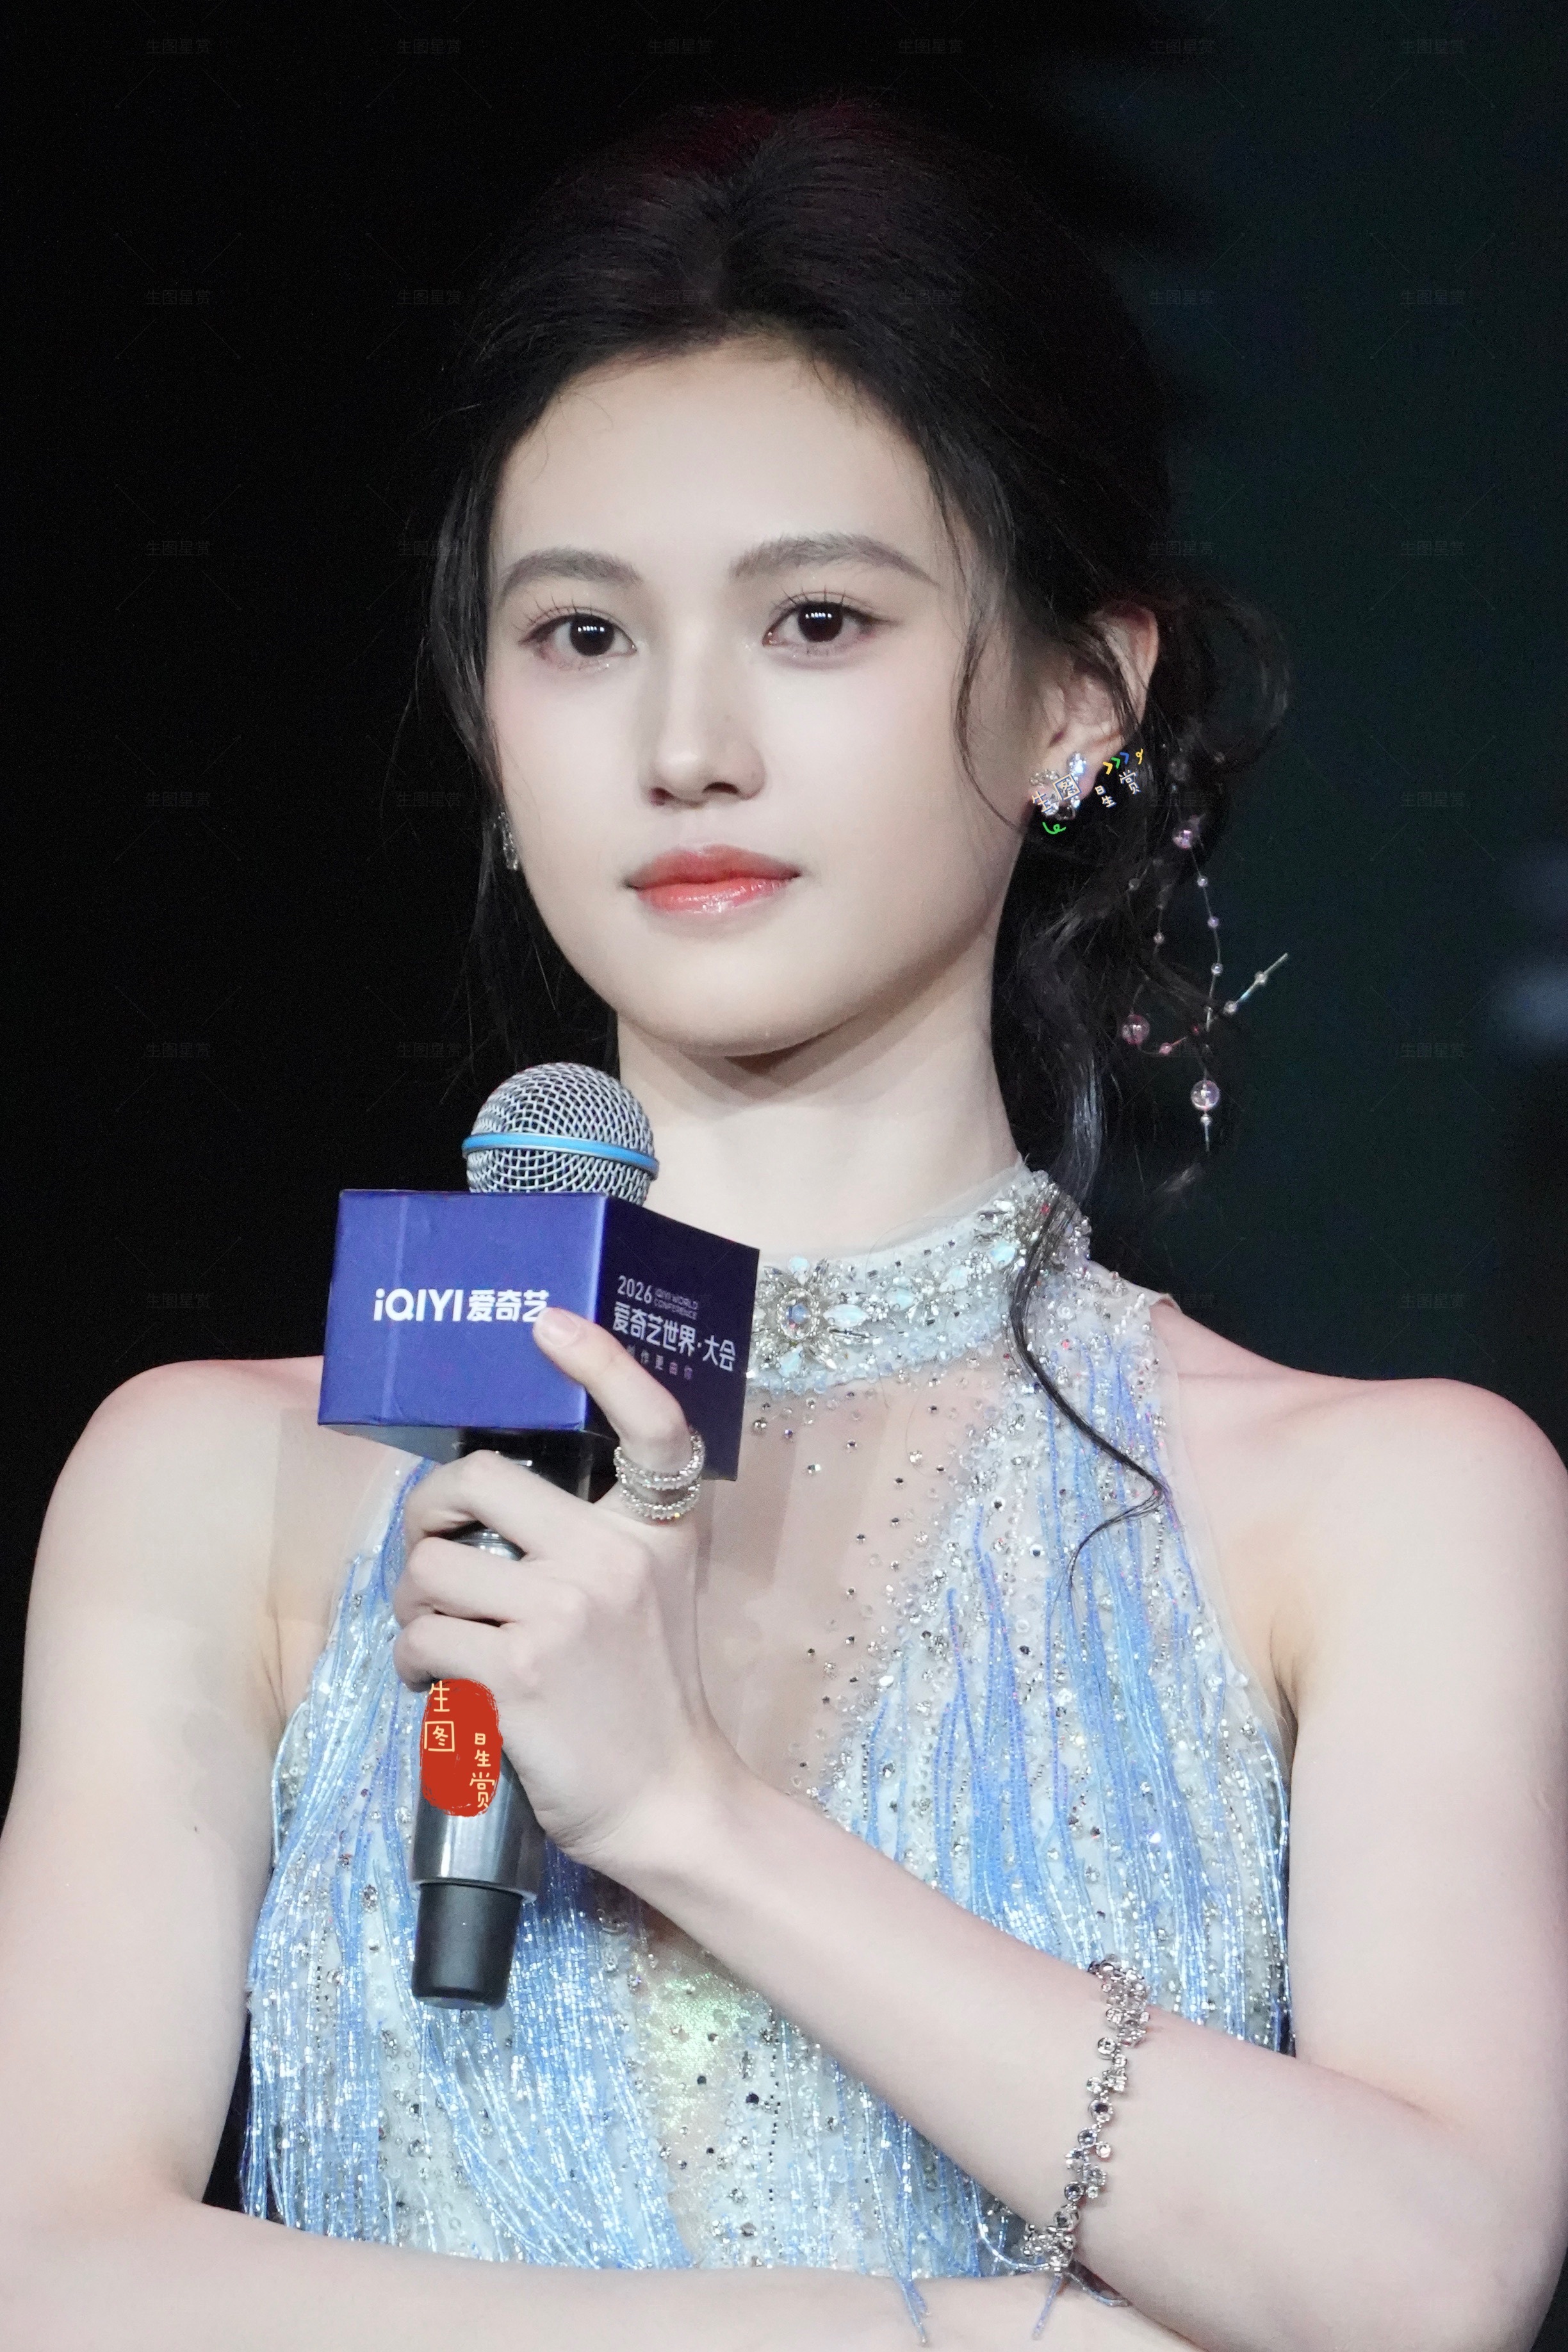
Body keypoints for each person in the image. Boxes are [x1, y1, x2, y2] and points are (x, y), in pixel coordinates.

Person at [3, 97, 1565, 2352]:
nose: (688, 745)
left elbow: (1429, 2280)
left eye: (817, 620)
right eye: (581, 635)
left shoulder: (1375, 1507)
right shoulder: (220, 1479)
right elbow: (60, 2275)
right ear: (488, 720)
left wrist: (687, 1812)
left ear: (1076, 698)